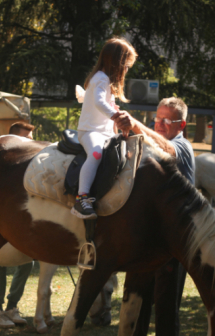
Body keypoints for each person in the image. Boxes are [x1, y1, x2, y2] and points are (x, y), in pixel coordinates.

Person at [113, 97, 195, 336]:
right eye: (156, 119)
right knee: (136, 304)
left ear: (181, 126)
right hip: (146, 240)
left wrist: (136, 124)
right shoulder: (149, 144)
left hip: (173, 244)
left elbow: (165, 148)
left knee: (166, 309)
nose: (159, 124)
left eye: (166, 120)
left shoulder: (182, 146)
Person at [71, 37, 137, 220]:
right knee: (96, 154)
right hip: (90, 131)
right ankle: (81, 198)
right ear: (117, 62)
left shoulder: (105, 80)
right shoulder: (101, 78)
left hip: (105, 132)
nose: (126, 70)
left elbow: (102, 103)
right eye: (126, 65)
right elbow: (99, 102)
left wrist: (114, 111)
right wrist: (116, 116)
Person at [0, 121, 36, 328]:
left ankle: (12, 307)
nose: (32, 143)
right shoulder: (3, 159)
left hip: (20, 221)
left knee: (28, 262)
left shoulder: (31, 163)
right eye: (28, 139)